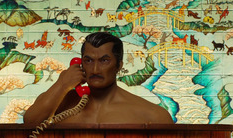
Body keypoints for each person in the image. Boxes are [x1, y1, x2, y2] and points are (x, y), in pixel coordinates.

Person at [24, 32, 173, 125]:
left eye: (104, 61)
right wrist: (62, 84)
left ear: (119, 65)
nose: (95, 69)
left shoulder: (151, 114)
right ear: (80, 63)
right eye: (88, 61)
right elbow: (29, 124)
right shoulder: (61, 104)